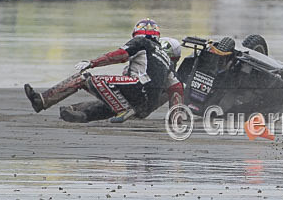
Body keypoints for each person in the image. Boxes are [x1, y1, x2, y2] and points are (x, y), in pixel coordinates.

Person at [24, 19, 183, 123]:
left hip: (137, 91)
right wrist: (176, 117)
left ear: (136, 33)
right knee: (102, 106)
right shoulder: (167, 60)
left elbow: (119, 55)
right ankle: (74, 112)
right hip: (144, 107)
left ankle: (43, 100)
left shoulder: (142, 42)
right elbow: (177, 88)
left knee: (90, 79)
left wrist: (92, 63)